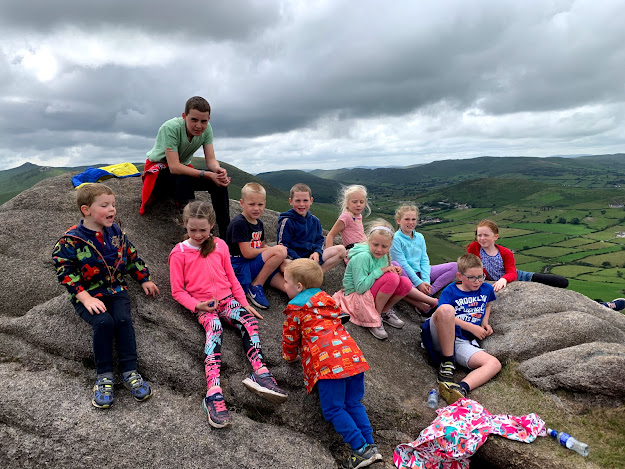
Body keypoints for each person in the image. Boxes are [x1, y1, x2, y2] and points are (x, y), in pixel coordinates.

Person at [168, 201, 287, 429]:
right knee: (214, 329)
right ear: (185, 225)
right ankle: (213, 392)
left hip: (227, 300)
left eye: (203, 230)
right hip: (204, 306)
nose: (198, 234)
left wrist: (244, 303)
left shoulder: (220, 245)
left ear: (211, 225)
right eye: (193, 230)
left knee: (248, 321)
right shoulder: (179, 253)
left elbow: (231, 278)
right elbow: (177, 291)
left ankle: (260, 372)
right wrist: (197, 306)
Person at [52, 183, 159, 409]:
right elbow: (65, 271)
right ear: (86, 210)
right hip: (87, 295)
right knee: (103, 322)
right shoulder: (71, 240)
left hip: (116, 290)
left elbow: (130, 256)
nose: (112, 210)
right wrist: (85, 298)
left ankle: (130, 371)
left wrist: (144, 278)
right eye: (104, 205)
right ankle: (104, 376)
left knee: (122, 320)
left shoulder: (116, 233)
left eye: (113, 205)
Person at [282, 259, 383, 469]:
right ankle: (371, 447)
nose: (284, 285)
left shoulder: (296, 308)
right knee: (353, 403)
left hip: (328, 365)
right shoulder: (328, 301)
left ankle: (359, 449)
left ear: (299, 286)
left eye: (285, 282)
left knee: (333, 409)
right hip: (352, 358)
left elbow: (290, 337)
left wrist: (289, 357)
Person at [141, 96, 231, 238]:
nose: (199, 126)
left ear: (208, 120)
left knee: (218, 183)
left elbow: (211, 160)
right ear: (184, 116)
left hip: (181, 170)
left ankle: (227, 233)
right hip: (161, 172)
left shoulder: (207, 130)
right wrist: (207, 174)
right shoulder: (170, 128)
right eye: (194, 120)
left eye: (204, 121)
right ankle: (193, 230)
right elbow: (174, 167)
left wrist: (218, 171)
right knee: (184, 177)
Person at [421, 253, 501, 405]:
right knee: (446, 310)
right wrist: (472, 327)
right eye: (472, 277)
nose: (477, 281)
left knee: (494, 364)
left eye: (481, 276)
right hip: (441, 333)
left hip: (461, 342)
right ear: (459, 276)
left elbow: (488, 304)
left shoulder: (486, 289)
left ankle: (460, 389)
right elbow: (442, 313)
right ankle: (447, 362)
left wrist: (485, 322)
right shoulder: (451, 290)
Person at [333, 219, 412, 340]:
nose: (379, 249)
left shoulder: (384, 256)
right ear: (369, 241)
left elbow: (380, 276)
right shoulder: (363, 257)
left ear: (389, 246)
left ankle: (384, 311)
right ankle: (375, 318)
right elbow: (360, 288)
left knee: (405, 283)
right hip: (355, 297)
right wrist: (381, 271)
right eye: (375, 244)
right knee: (391, 278)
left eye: (384, 246)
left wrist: (391, 270)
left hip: (368, 292)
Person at [226, 182, 289, 310]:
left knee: (290, 289)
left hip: (255, 264)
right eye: (251, 204)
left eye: (260, 204)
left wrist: (276, 255)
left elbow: (261, 246)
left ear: (265, 204)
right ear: (242, 203)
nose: (256, 208)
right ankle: (256, 285)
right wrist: (274, 251)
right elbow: (247, 253)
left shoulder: (259, 223)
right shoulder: (239, 223)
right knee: (280, 252)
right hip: (240, 265)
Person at [467, 219, 568, 291]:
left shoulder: (505, 252)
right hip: (493, 280)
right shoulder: (474, 247)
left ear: (495, 237)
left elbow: (512, 272)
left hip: (518, 276)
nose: (482, 238)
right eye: (479, 235)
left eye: (486, 235)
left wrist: (503, 279)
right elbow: (469, 265)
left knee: (562, 282)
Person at [390, 204, 456, 314]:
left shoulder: (419, 237)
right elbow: (403, 264)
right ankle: (423, 299)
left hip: (421, 272)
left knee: (455, 266)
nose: (410, 222)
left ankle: (427, 294)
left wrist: (425, 281)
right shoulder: (395, 239)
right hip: (407, 275)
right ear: (398, 221)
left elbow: (424, 259)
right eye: (406, 219)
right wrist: (418, 283)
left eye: (413, 219)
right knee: (395, 265)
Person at [276, 183, 346, 273]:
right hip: (296, 260)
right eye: (297, 201)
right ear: (291, 201)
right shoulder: (287, 222)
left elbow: (319, 240)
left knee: (341, 250)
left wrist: (317, 253)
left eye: (305, 200)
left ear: (311, 200)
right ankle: (309, 274)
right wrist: (300, 261)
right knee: (284, 264)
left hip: (312, 257)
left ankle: (318, 274)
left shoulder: (315, 220)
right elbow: (282, 247)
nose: (301, 204)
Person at [325, 184, 370, 258]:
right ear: (347, 203)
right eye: (354, 202)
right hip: (354, 251)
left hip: (363, 248)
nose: (358, 204)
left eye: (361, 202)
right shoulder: (346, 216)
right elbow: (331, 235)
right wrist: (329, 254)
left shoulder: (359, 216)